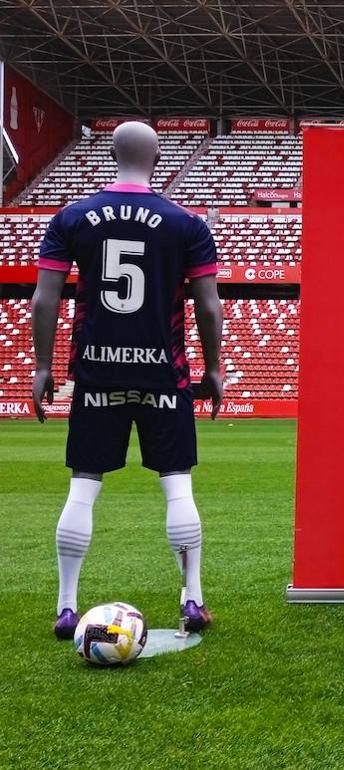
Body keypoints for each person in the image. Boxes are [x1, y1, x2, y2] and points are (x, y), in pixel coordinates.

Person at [32, 121, 224, 639]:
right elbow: (208, 304)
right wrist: (214, 368)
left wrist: (43, 366)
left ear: (111, 156)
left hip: (97, 371)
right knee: (177, 484)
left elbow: (45, 297)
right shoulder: (186, 223)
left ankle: (67, 607)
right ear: (157, 159)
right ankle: (193, 600)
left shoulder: (72, 217)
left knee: (83, 486)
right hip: (164, 373)